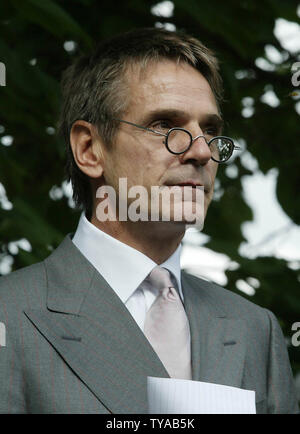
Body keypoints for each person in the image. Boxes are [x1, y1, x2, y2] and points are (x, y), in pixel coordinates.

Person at [0, 27, 298, 414]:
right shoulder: (10, 313)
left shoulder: (254, 328)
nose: (202, 152)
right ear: (90, 150)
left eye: (210, 130)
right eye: (165, 125)